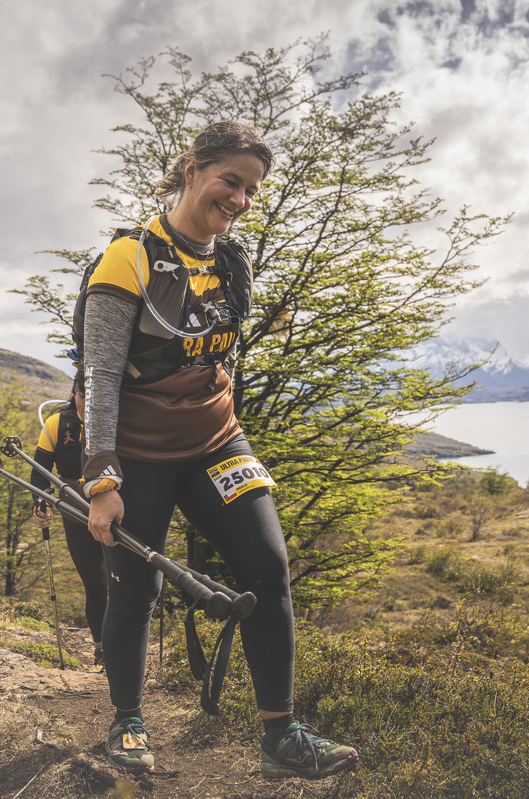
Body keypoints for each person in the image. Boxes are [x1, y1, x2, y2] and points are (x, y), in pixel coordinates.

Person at [80, 120, 359, 778]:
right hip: (138, 453)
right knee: (136, 589)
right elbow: (99, 378)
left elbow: (219, 353)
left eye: (252, 190)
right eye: (230, 182)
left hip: (216, 441)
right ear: (192, 171)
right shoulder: (127, 259)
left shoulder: (232, 261)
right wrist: (102, 481)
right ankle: (127, 722)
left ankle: (281, 736)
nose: (240, 199)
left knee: (269, 565)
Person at [29, 370, 108, 667]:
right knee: (96, 584)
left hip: (116, 512)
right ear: (75, 394)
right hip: (76, 514)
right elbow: (40, 472)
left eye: (93, 397)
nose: (87, 403)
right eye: (83, 396)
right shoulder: (57, 424)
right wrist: (41, 503)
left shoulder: (117, 419)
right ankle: (102, 650)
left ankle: (123, 648)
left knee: (123, 583)